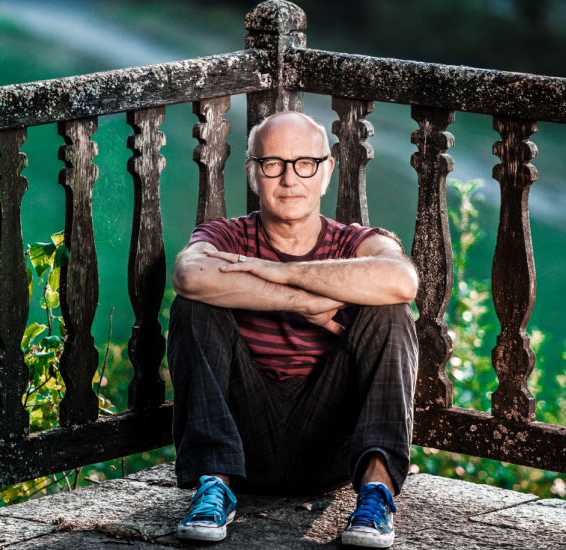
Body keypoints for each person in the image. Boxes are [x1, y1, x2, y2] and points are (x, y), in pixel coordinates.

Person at [169, 111, 418, 548]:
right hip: (243, 445)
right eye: (273, 164)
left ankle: (376, 494)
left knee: (391, 310)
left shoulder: (356, 242)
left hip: (331, 448)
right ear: (252, 172)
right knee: (195, 306)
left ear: (327, 172)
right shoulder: (227, 236)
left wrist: (278, 272)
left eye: (305, 163)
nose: (289, 179)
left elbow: (402, 280)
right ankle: (213, 487)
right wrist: (305, 300)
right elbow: (191, 275)